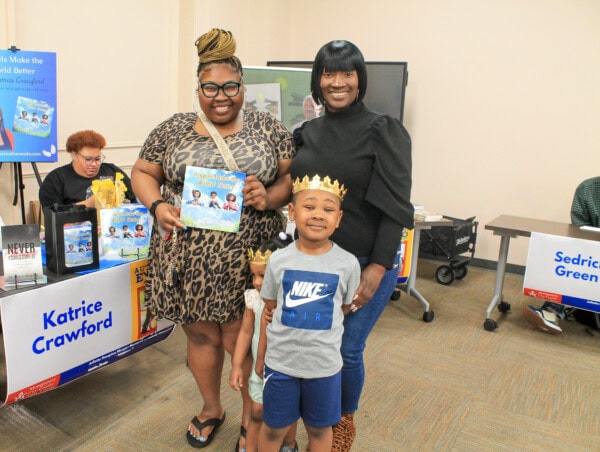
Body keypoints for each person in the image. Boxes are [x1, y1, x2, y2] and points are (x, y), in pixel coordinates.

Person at [130, 28, 295, 450]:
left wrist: (268, 195)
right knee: (202, 336)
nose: (221, 95)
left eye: (230, 86)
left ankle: (249, 421)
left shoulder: (268, 126)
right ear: (198, 89)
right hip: (187, 258)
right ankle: (211, 407)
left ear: (243, 87)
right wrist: (156, 207)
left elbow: (291, 179)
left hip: (250, 260)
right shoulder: (173, 129)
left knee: (245, 337)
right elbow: (143, 173)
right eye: (210, 87)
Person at [289, 40, 414, 451]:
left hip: (363, 261)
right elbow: (292, 192)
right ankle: (311, 416)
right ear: (318, 79)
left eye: (347, 73)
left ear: (360, 79)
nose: (337, 82)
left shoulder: (384, 130)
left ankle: (342, 421)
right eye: (329, 73)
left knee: (346, 348)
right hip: (311, 261)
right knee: (311, 344)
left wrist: (378, 267)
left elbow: (396, 208)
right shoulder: (305, 133)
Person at [256, 175, 361, 452]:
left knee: (319, 428)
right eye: (309, 207)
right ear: (292, 213)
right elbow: (270, 305)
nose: (318, 215)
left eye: (327, 210)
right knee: (275, 427)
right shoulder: (278, 260)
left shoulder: (348, 264)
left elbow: (345, 306)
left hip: (324, 366)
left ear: (338, 218)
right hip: (281, 363)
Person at [229, 232, 298, 452]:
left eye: (263, 276)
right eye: (254, 276)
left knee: (288, 412)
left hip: (287, 368)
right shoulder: (253, 298)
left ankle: (288, 445)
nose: (258, 282)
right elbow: (245, 332)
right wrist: (237, 365)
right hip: (259, 370)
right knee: (256, 410)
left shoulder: (294, 301)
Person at [523, 176, 600, 334]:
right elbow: (580, 232)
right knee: (571, 256)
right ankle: (551, 311)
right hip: (594, 254)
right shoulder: (588, 189)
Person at [39, 130, 136, 209]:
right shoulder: (56, 179)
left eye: (98, 159)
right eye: (88, 159)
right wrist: (89, 204)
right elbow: (53, 215)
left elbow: (134, 199)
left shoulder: (112, 171)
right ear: (73, 155)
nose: (94, 164)